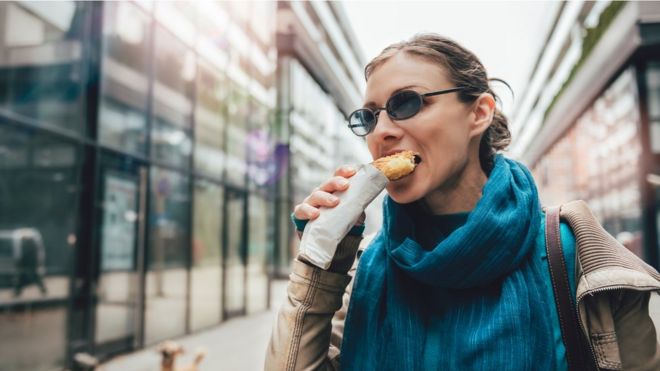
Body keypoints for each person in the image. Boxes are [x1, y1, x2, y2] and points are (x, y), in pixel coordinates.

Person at [266, 34, 660, 370]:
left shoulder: (574, 255)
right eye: (368, 117)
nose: (382, 132)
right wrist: (319, 266)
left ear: (479, 113)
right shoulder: (364, 268)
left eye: (407, 104)